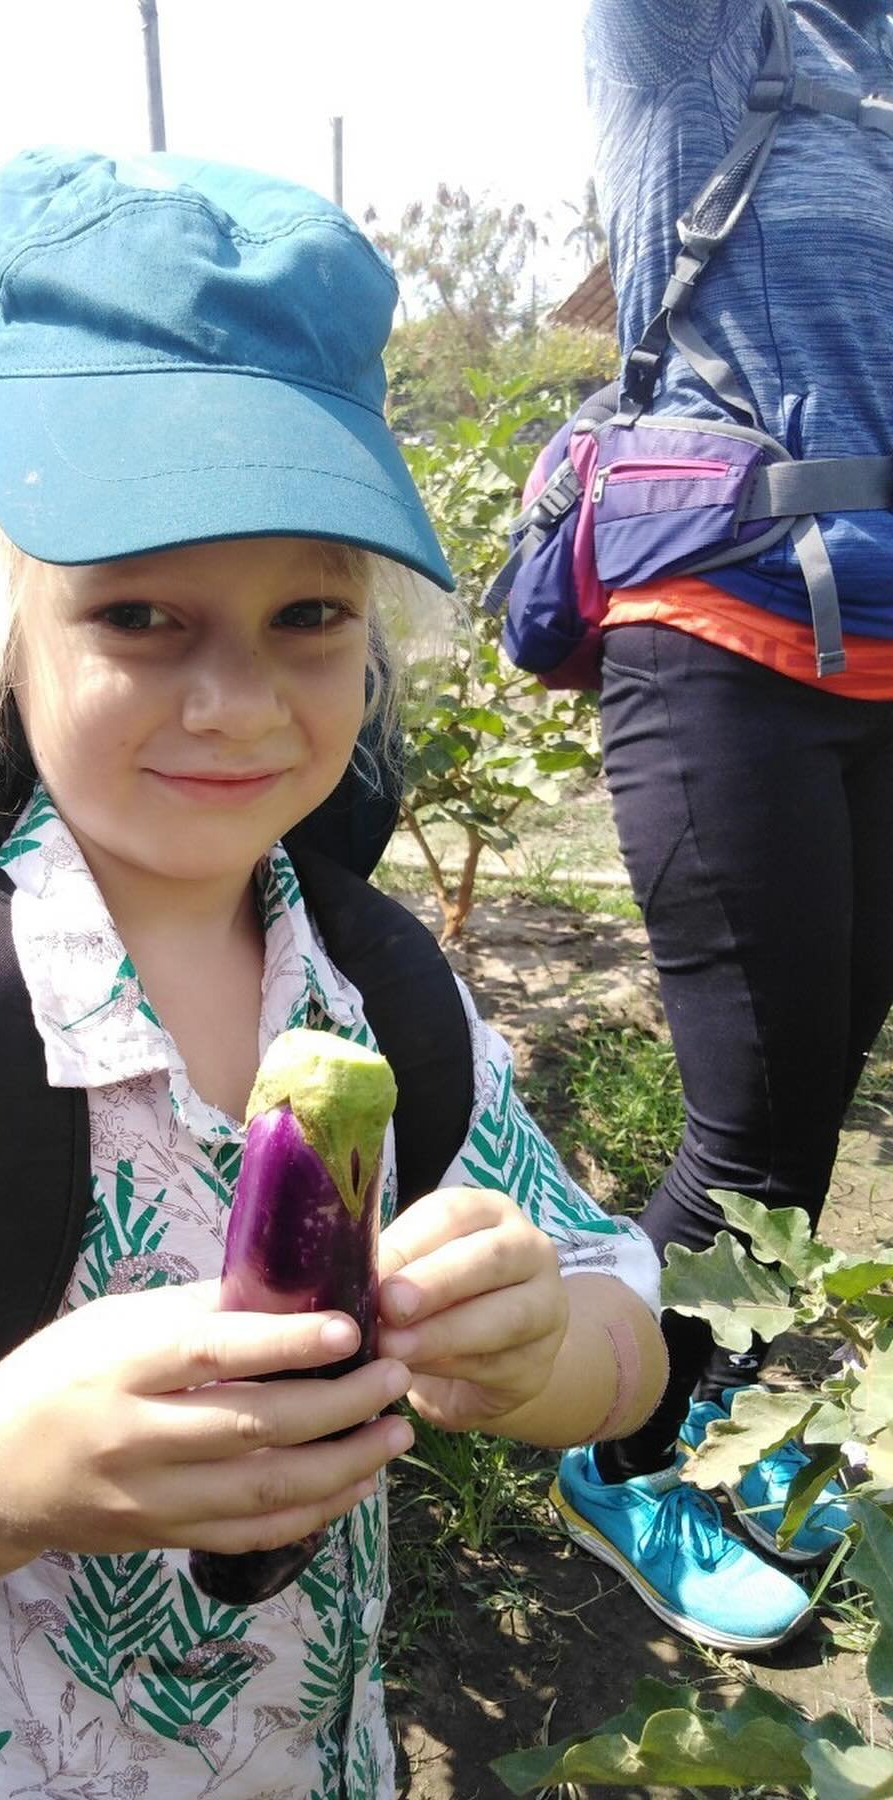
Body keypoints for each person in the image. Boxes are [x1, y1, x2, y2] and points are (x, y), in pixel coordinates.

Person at [0, 148, 666, 1799]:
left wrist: (542, 1354)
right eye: (143, 616)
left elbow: (623, 1333)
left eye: (307, 611)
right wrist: (5, 1478)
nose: (236, 700)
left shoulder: (388, 999)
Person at [553, 0, 893, 1656]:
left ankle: (714, 1426)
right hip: (715, 627)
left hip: (885, 651)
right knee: (748, 1122)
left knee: (816, 1107)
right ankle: (614, 1449)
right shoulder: (692, 35)